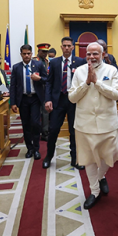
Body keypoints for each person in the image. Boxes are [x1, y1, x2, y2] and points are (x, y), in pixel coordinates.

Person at [68, 42, 118, 210]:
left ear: (103, 54)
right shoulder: (79, 71)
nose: (91, 57)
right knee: (89, 160)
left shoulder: (111, 70)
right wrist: (86, 83)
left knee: (112, 154)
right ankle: (94, 191)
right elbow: (72, 98)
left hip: (108, 123)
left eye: (95, 54)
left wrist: (97, 83)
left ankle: (100, 177)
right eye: (89, 54)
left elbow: (116, 94)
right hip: (84, 124)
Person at [45, 37, 87, 169]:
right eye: (64, 45)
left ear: (73, 47)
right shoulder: (55, 62)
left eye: (69, 45)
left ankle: (75, 159)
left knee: (74, 131)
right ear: (61, 47)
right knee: (53, 130)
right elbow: (49, 82)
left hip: (74, 100)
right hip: (58, 100)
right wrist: (48, 99)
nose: (67, 48)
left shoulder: (80, 62)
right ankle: (48, 157)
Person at [10, 44, 48, 159]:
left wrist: (39, 78)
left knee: (35, 123)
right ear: (21, 54)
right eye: (24, 54)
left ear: (31, 54)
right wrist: (13, 102)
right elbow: (13, 86)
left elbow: (47, 79)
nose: (26, 56)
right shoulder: (16, 67)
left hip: (35, 98)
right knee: (26, 124)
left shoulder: (38, 65)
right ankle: (29, 149)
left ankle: (36, 149)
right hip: (23, 99)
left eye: (28, 53)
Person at [36, 43, 53, 151]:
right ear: (39, 51)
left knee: (46, 112)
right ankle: (36, 132)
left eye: (46, 52)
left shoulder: (47, 61)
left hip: (45, 89)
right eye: (43, 52)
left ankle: (45, 133)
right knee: (36, 113)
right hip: (37, 89)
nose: (45, 54)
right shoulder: (35, 61)